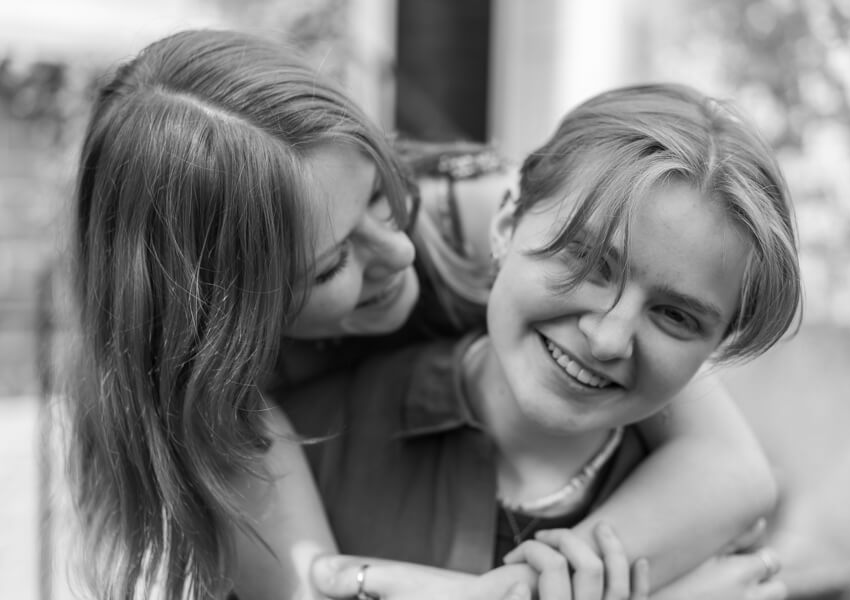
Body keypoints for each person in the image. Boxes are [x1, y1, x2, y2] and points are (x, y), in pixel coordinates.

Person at [65, 28, 780, 600]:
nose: (401, 253)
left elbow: (732, 471)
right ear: (226, 315)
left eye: (382, 195)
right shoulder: (220, 411)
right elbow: (315, 588)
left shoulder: (474, 210)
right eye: (331, 264)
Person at [275, 83, 802, 600]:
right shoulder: (304, 445)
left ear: (715, 344)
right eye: (592, 264)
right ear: (506, 223)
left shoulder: (710, 541)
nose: (608, 338)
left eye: (675, 316)